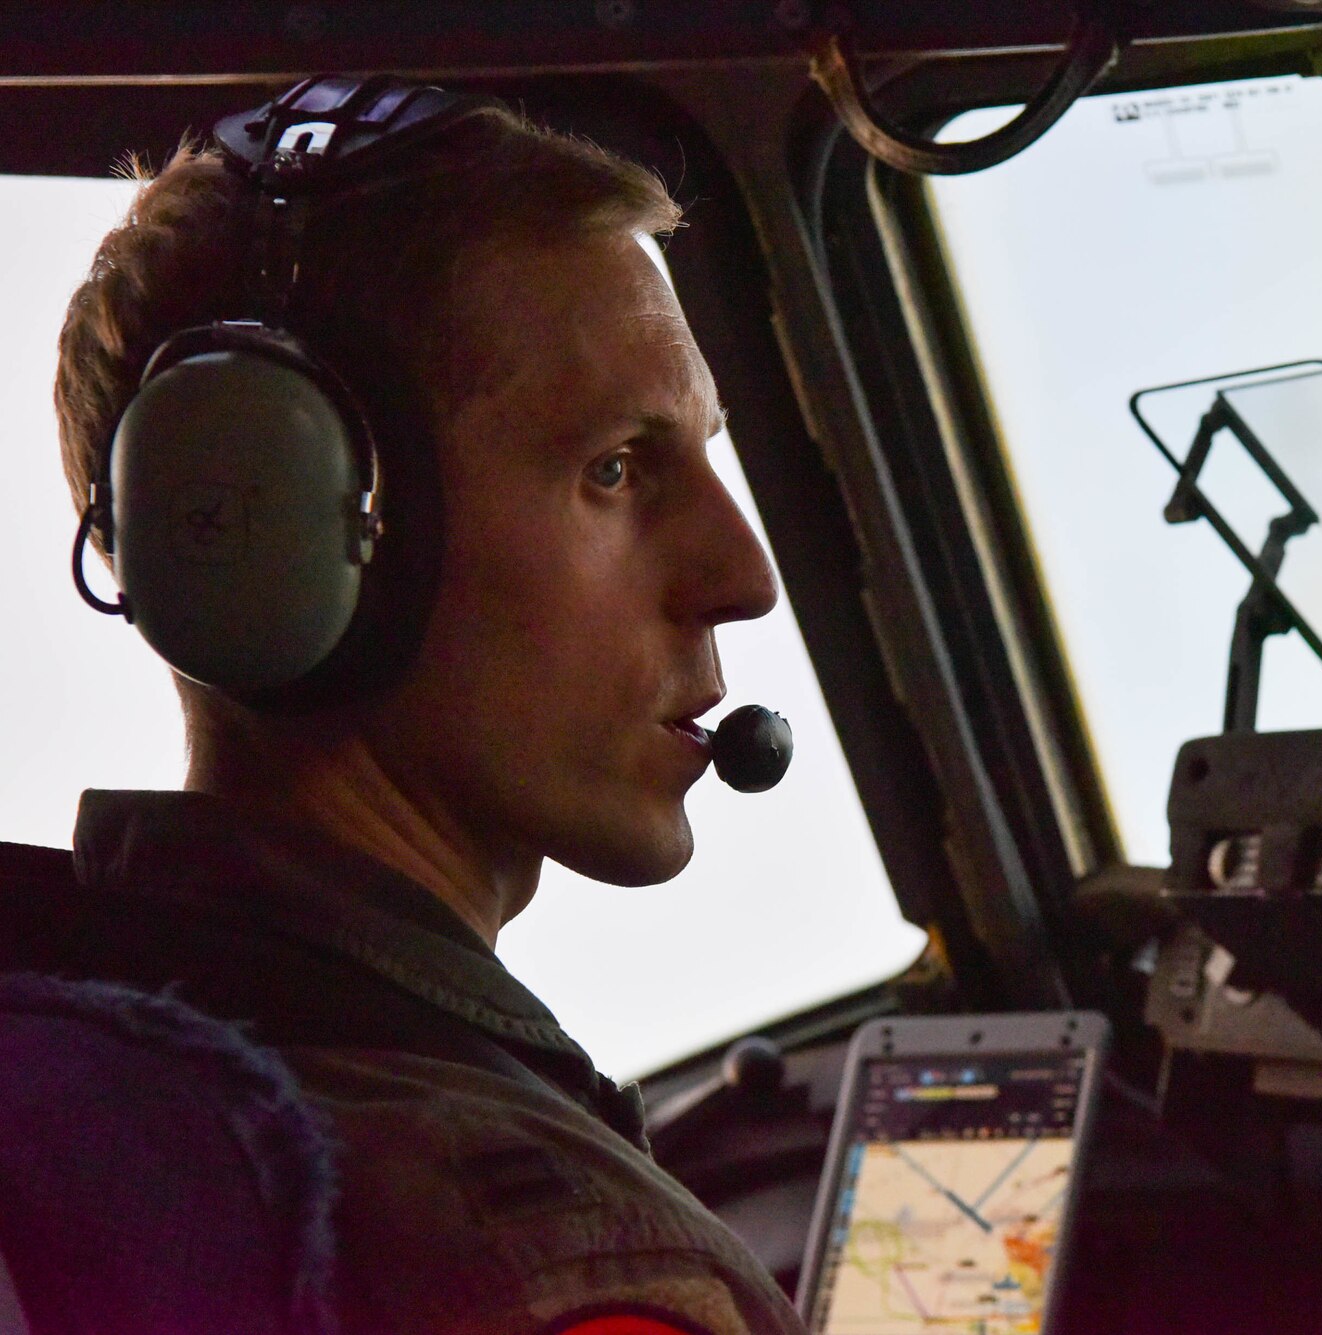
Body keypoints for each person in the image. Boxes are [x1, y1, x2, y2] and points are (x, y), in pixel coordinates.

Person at [1, 76, 802, 1334]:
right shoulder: (528, 1252)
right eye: (615, 468)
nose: (741, 578)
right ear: (272, 540)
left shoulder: (87, 1045)